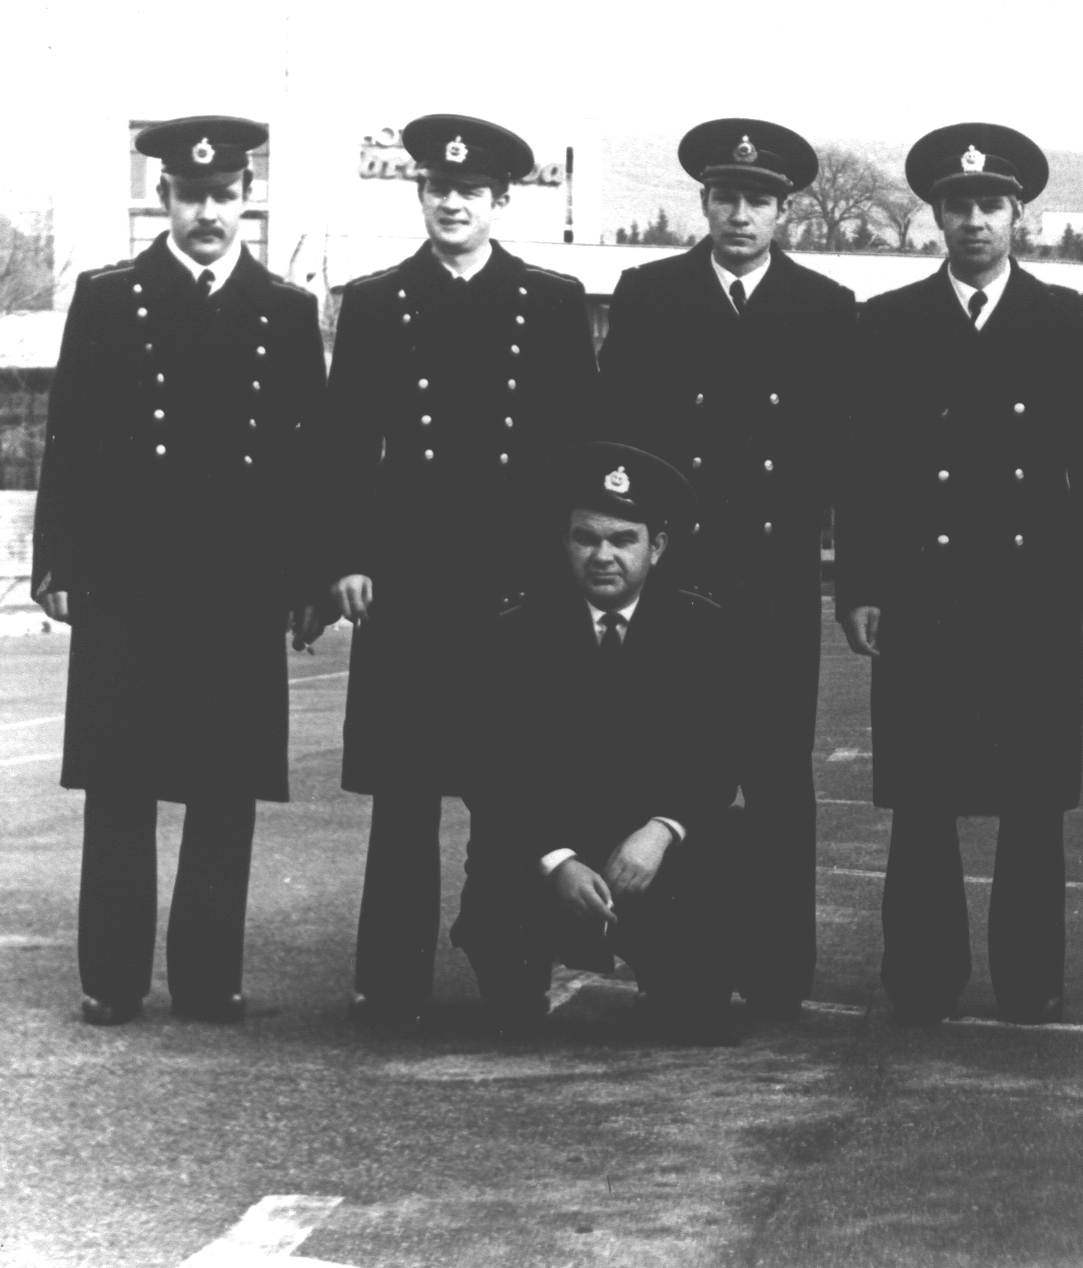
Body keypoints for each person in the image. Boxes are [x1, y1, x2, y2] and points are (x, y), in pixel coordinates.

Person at [32, 116, 328, 1025]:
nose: (208, 213)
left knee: (224, 786)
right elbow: (70, 435)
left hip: (238, 583)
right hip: (131, 578)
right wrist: (58, 559)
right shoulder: (110, 297)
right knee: (121, 784)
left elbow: (307, 459)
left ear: (248, 199)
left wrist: (308, 578)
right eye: (191, 196)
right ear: (162, 198)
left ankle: (208, 977)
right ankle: (112, 977)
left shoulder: (285, 309)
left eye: (224, 196)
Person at [835, 123, 1083, 1025]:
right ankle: (923, 974)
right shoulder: (888, 323)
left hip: (1031, 597)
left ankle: (1029, 976)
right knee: (924, 798)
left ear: (1018, 215)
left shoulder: (1067, 321)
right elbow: (864, 471)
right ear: (937, 216)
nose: (974, 221)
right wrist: (861, 586)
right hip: (924, 597)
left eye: (990, 205)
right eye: (958, 206)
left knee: (1032, 799)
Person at [314, 114, 598, 1026]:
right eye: (438, 188)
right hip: (410, 582)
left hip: (518, 583)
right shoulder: (377, 301)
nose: (452, 204)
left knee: (513, 786)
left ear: (500, 201)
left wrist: (575, 568)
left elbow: (578, 447)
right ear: (422, 195)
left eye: (470, 192)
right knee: (405, 793)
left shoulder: (549, 301)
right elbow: (347, 444)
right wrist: (346, 556)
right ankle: (389, 977)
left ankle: (512, 963)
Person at [597, 119, 857, 1022]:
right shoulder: (651, 294)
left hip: (775, 579)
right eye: (726, 197)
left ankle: (781, 968)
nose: (740, 215)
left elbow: (844, 453)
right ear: (704, 204)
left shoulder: (825, 306)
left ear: (784, 212)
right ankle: (678, 963)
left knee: (779, 773)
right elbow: (616, 436)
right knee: (672, 767)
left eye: (758, 200)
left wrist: (854, 578)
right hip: (679, 581)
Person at [451, 443, 739, 1042]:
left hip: (648, 856)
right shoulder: (516, 633)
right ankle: (520, 969)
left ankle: (671, 976)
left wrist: (662, 830)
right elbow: (488, 770)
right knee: (509, 1013)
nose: (603, 556)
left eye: (623, 540)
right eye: (586, 538)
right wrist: (556, 861)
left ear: (657, 547)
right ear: (564, 542)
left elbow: (718, 759)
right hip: (551, 853)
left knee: (693, 1015)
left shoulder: (702, 632)